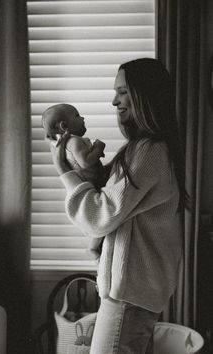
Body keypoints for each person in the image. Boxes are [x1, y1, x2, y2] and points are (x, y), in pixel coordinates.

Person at [49, 58, 187, 354]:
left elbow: (100, 215)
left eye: (122, 92)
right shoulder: (142, 150)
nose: (114, 101)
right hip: (134, 293)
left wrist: (64, 171)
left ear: (142, 95)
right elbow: (109, 195)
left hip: (130, 295)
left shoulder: (149, 152)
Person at [42, 103, 105, 259]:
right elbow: (85, 162)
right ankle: (92, 248)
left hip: (91, 182)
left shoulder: (67, 143)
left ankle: (94, 246)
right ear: (64, 126)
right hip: (91, 185)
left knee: (100, 225)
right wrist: (98, 147)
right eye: (77, 116)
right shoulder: (74, 142)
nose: (82, 118)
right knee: (100, 223)